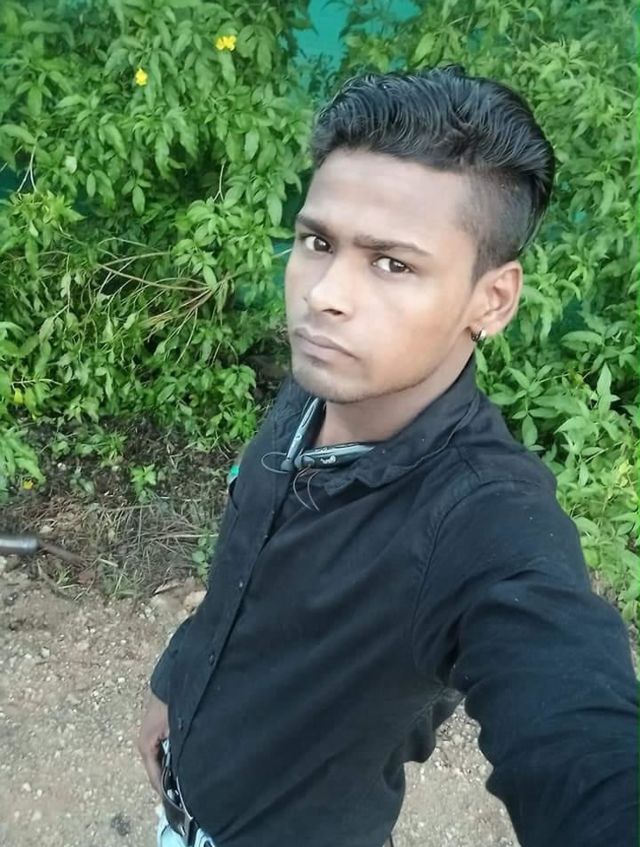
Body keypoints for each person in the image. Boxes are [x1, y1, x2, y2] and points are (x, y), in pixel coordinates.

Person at [138, 66, 638, 847]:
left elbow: (578, 727)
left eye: (393, 263)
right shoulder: (321, 385)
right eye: (317, 242)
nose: (323, 295)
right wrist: (174, 683)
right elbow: (242, 566)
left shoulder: (482, 522)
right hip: (181, 804)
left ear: (493, 300)